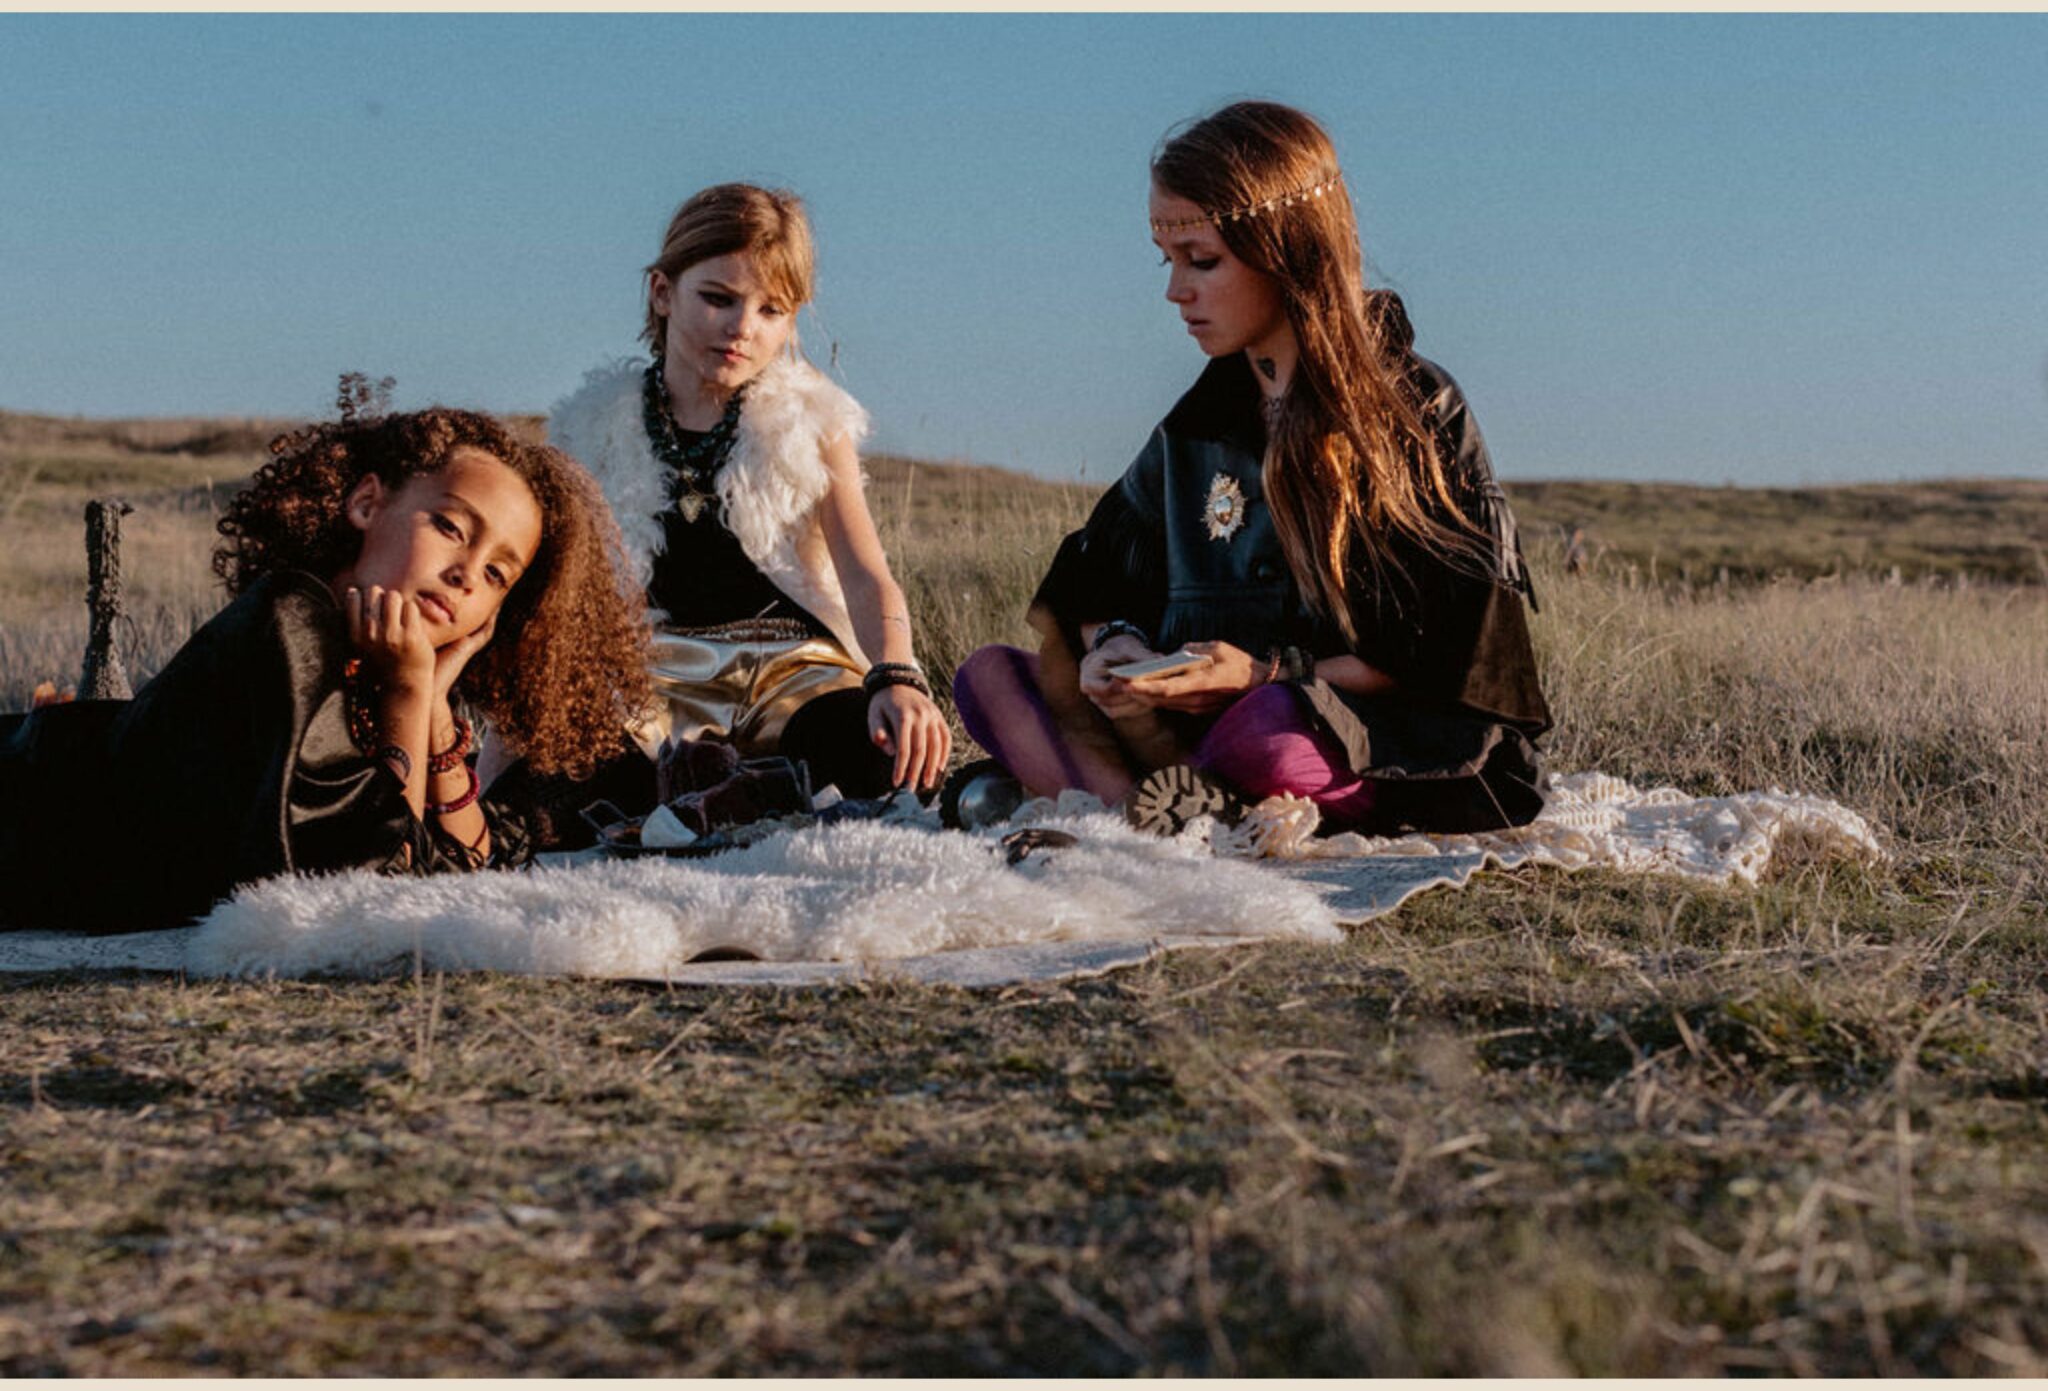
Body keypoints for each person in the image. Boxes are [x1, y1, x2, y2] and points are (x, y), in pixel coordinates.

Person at [949, 101, 1551, 837]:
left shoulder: (1412, 408)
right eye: (1168, 261)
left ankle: (1108, 801)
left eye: (1203, 261)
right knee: (990, 677)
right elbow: (1097, 569)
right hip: (1181, 733)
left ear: (1286, 249)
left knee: (1265, 731)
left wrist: (1258, 676)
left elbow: (1441, 653)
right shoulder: (1197, 421)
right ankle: (1171, 811)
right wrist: (1116, 649)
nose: (1176, 291)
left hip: (1339, 729)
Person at [0, 407, 650, 933]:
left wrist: (430, 699)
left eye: (495, 574)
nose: (464, 574)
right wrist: (408, 690)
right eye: (451, 526)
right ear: (367, 502)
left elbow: (464, 869)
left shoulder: (378, 670)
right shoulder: (290, 622)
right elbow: (366, 888)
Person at [527, 182, 950, 827]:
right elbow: (560, 591)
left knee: (882, 753)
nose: (742, 328)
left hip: (795, 672)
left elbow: (865, 573)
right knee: (565, 776)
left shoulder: (813, 420)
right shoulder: (593, 426)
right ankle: (728, 797)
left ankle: (738, 796)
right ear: (662, 292)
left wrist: (898, 676)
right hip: (656, 679)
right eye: (718, 298)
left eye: (771, 310)